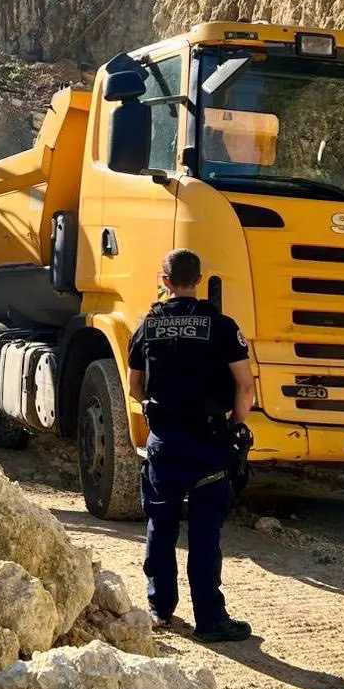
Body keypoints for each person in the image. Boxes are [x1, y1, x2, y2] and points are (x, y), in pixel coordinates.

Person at [128, 248, 256, 643]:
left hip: (165, 442)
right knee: (204, 534)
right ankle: (210, 619)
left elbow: (135, 387)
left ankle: (160, 606)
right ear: (199, 280)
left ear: (164, 281)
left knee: (160, 525)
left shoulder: (148, 326)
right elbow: (246, 385)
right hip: (208, 443)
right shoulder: (220, 325)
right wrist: (237, 424)